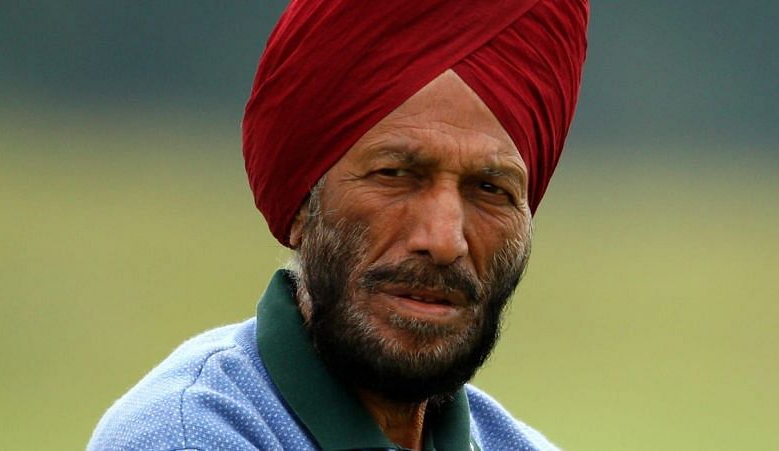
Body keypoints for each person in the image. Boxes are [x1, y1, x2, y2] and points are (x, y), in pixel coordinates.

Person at [88, 0, 588, 449]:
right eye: (394, 175)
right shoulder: (189, 436)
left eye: (490, 190)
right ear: (303, 204)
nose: (442, 240)